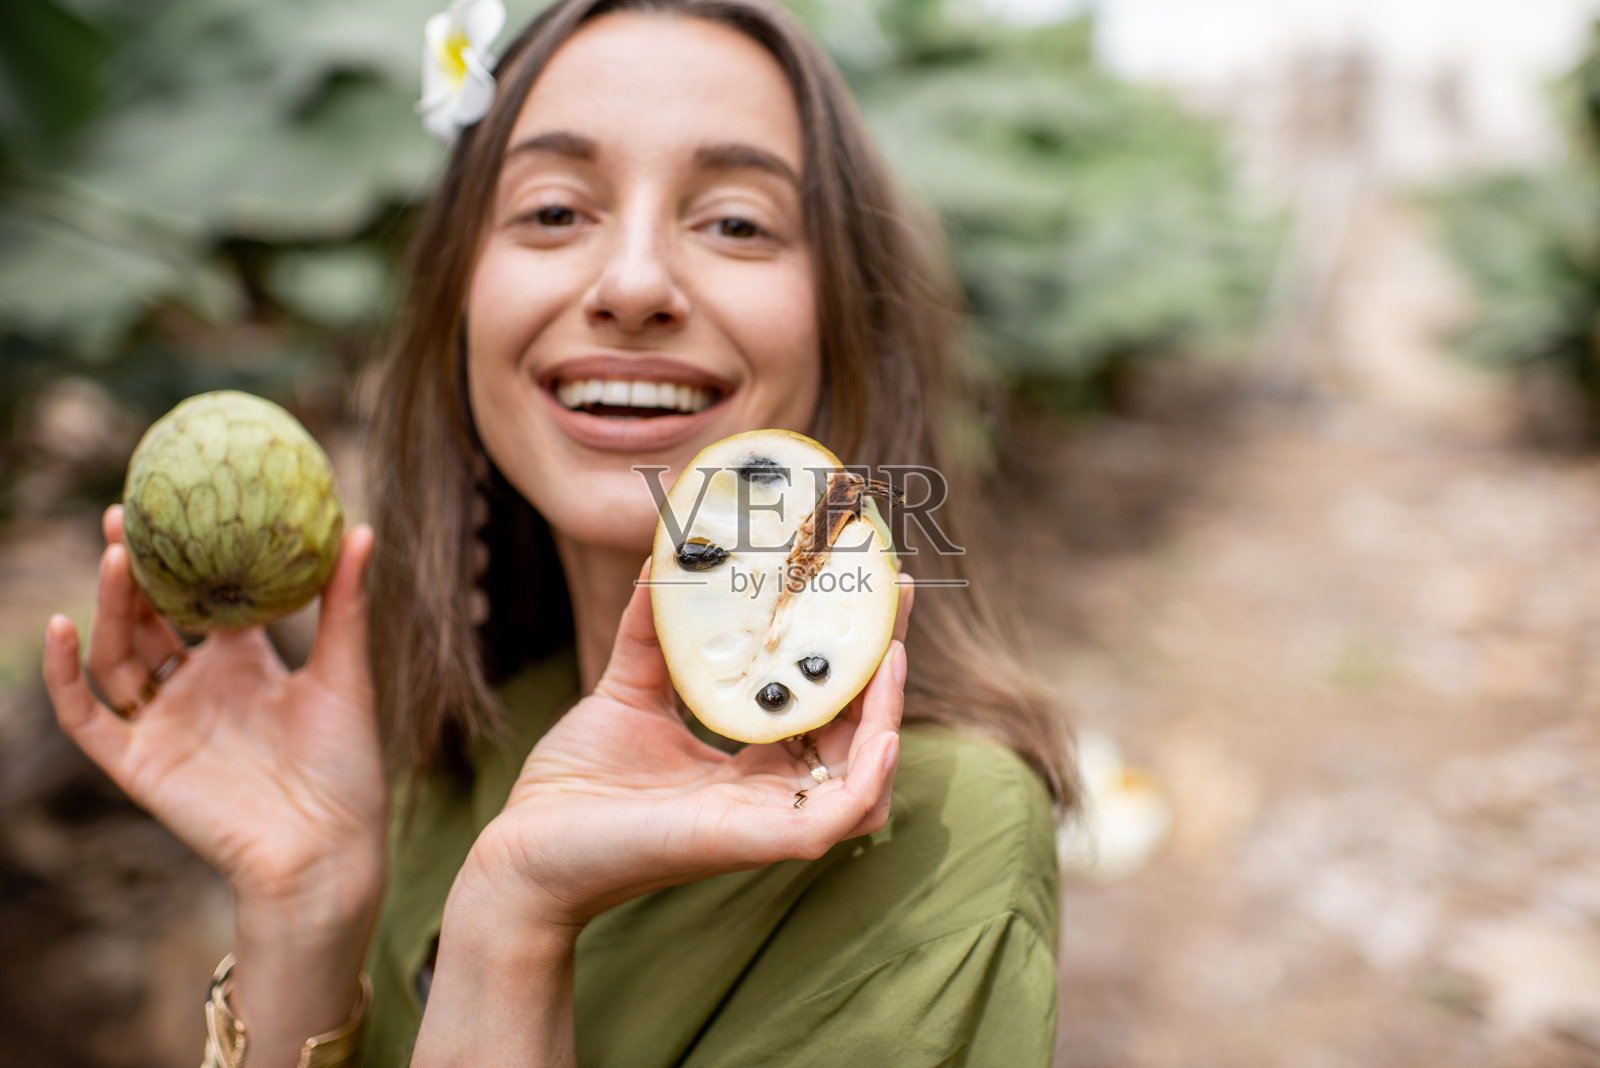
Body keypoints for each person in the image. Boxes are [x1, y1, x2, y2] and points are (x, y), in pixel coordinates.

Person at [41, 0, 1075, 1063]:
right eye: (550, 212)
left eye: (734, 223)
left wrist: (511, 930)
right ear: (457, 304)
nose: (631, 286)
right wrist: (306, 902)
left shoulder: (937, 832)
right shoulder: (455, 757)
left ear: (845, 327)